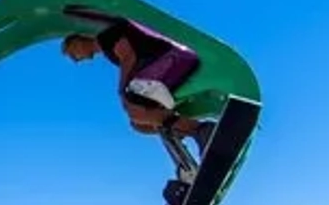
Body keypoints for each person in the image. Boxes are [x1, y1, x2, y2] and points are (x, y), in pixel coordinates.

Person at [62, 21, 215, 154]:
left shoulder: (105, 37)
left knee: (135, 111)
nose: (76, 60)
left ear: (76, 42)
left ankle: (202, 130)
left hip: (173, 59)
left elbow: (128, 57)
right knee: (139, 125)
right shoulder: (106, 47)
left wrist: (122, 90)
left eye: (72, 54)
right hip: (165, 66)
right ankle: (191, 144)